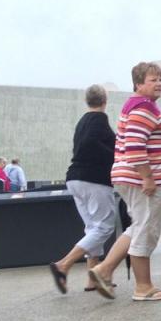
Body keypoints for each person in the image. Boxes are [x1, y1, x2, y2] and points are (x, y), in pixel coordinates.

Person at [87, 62, 161, 300]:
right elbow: (135, 146)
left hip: (134, 178)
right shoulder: (142, 108)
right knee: (146, 230)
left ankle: (104, 269)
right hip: (143, 180)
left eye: (160, 79)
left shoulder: (140, 106)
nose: (158, 83)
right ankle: (143, 287)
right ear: (138, 84)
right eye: (152, 80)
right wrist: (147, 177)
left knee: (137, 226)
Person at [48, 85, 117, 294]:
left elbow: (84, 144)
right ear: (105, 100)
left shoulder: (82, 122)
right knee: (104, 227)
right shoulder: (99, 120)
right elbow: (93, 144)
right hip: (94, 179)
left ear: (87, 100)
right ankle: (64, 265)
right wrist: (114, 156)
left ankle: (91, 278)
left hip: (75, 178)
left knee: (93, 227)